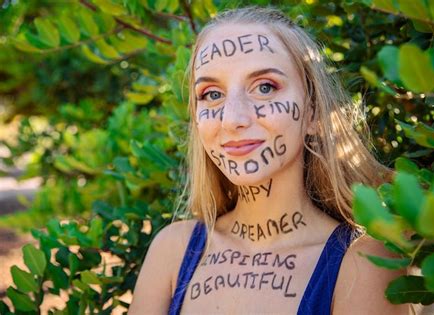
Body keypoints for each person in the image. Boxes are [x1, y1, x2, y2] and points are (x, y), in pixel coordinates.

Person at [129, 6, 408, 315]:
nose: (231, 119)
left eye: (265, 87)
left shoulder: (360, 260)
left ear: (314, 112)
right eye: (211, 94)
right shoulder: (173, 251)